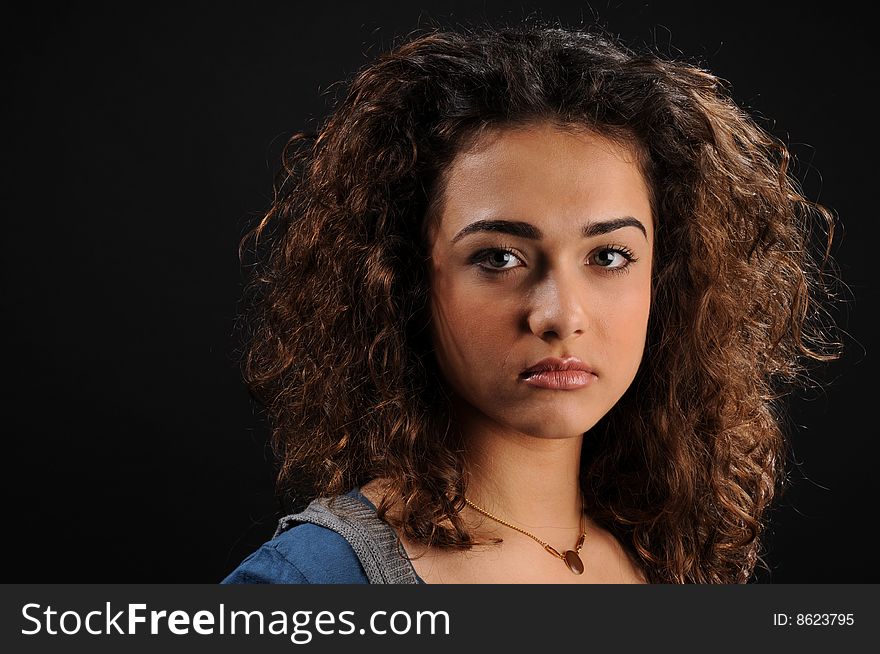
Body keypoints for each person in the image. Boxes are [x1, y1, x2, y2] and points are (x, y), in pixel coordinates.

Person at [222, 20, 840, 584]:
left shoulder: (671, 560)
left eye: (609, 257)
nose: (560, 316)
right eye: (498, 258)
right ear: (403, 279)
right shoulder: (311, 585)